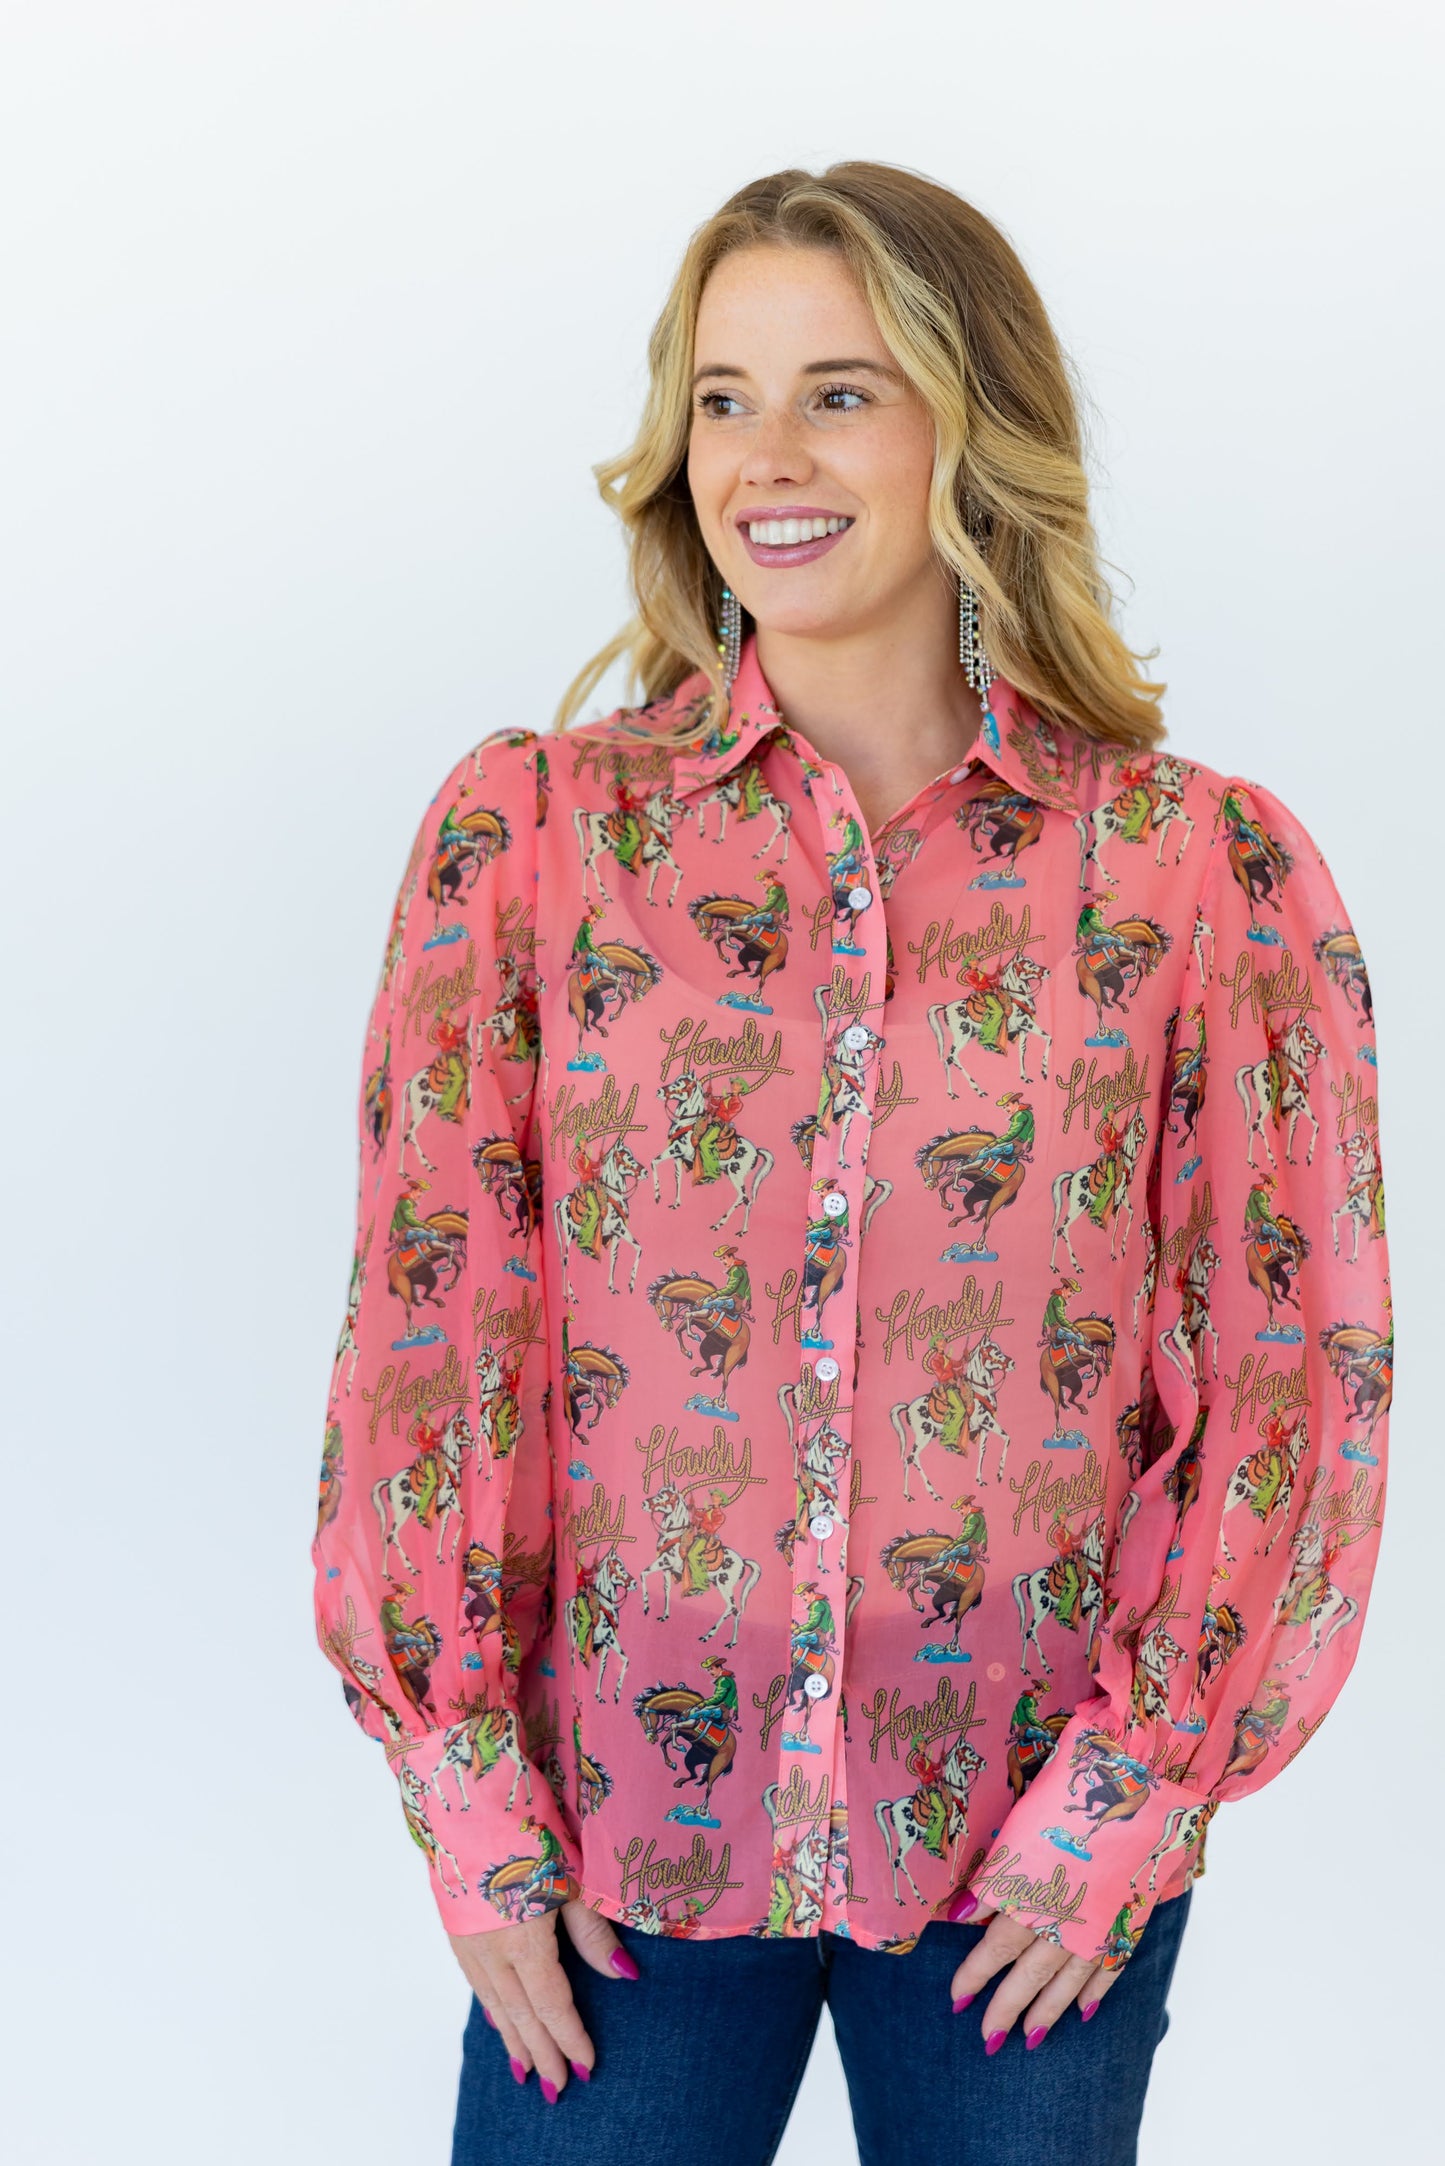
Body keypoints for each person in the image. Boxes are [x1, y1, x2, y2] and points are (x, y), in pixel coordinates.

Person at [311, 162, 1392, 2165]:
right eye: (722, 398)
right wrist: (463, 1789)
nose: (765, 457)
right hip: (622, 1833)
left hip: (1027, 1845)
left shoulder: (1189, 870)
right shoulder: (537, 842)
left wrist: (1139, 1790)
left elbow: (1289, 1361)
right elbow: (428, 1334)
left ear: (972, 426)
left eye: (839, 391)